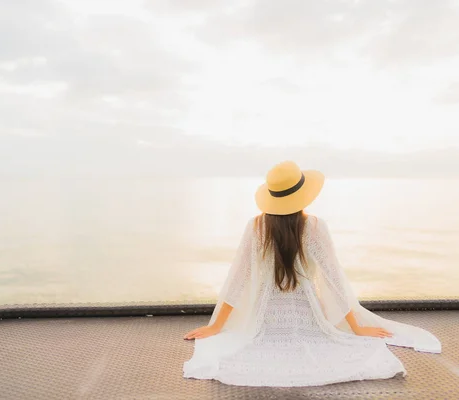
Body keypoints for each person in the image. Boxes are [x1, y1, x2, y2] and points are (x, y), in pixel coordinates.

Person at [182, 161, 441, 387]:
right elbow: (333, 279)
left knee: (242, 348)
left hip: (264, 318)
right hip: (309, 314)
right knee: (334, 347)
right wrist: (355, 327)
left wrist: (216, 325)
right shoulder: (315, 226)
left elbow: (238, 278)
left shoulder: (256, 226)